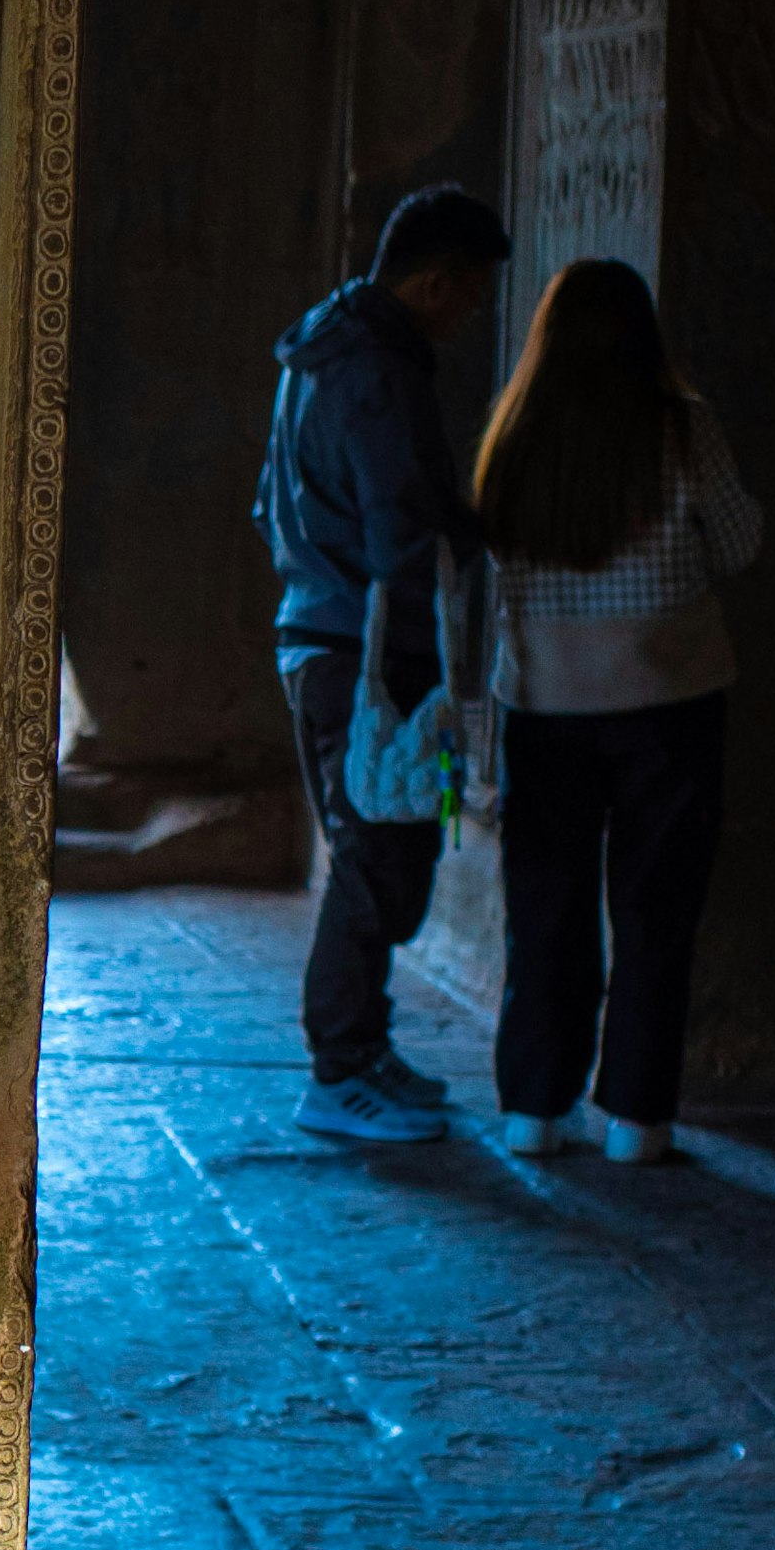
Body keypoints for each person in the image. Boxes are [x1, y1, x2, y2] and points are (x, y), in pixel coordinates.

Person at [473, 257, 762, 1163]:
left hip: (546, 703)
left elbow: (491, 554)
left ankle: (533, 1108)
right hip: (669, 702)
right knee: (655, 908)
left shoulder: (514, 433)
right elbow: (743, 542)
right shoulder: (686, 430)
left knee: (546, 904)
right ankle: (637, 1118)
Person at [256, 185, 512, 1142]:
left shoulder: (319, 352)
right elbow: (399, 518)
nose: (474, 314)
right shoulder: (377, 367)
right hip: (365, 647)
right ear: (436, 282)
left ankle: (363, 1047)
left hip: (322, 630)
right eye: (473, 294)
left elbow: (271, 501)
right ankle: (339, 1072)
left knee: (384, 849)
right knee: (378, 860)